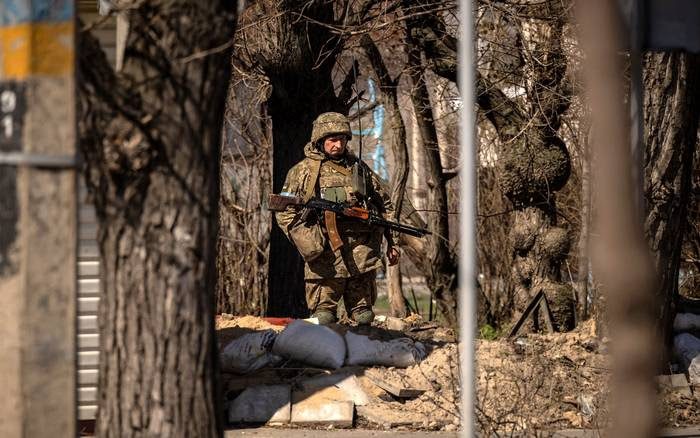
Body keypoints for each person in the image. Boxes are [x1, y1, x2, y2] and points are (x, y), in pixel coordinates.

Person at [275, 112, 400, 325]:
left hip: (360, 254)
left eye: (342, 139)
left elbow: (386, 205)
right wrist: (305, 237)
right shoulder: (304, 171)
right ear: (320, 140)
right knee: (323, 317)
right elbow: (283, 209)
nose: (338, 144)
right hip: (324, 256)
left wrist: (393, 242)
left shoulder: (359, 170)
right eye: (333, 140)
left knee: (364, 316)